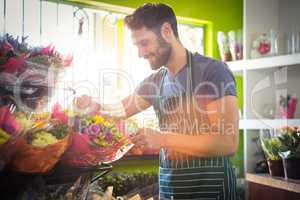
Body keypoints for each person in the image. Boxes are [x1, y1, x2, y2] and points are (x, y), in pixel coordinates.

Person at [76, 3, 239, 199]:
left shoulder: (212, 72)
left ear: (167, 31)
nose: (141, 53)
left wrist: (163, 139)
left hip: (212, 193)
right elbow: (119, 110)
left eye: (144, 43)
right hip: (170, 192)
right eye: (137, 46)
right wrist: (95, 106)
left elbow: (227, 142)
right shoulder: (156, 81)